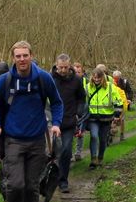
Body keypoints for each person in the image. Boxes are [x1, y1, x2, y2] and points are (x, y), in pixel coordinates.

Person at [0, 40, 63, 202]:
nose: (22, 59)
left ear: (31, 55)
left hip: (37, 140)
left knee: (32, 186)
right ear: (13, 58)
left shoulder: (44, 79)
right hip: (12, 140)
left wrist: (56, 123)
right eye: (18, 56)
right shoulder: (4, 80)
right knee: (15, 185)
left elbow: (56, 102)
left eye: (25, 55)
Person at [51, 54, 87, 193]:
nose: (63, 70)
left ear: (69, 66)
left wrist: (78, 112)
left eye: (66, 67)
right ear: (56, 65)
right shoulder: (50, 79)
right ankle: (48, 179)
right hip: (52, 121)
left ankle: (63, 181)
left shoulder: (76, 80)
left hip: (69, 121)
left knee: (66, 151)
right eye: (61, 67)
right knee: (52, 151)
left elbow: (82, 98)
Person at [84, 66, 122, 169]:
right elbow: (84, 102)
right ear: (92, 77)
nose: (96, 80)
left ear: (103, 78)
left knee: (103, 139)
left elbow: (118, 100)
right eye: (95, 77)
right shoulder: (88, 87)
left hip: (106, 118)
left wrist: (117, 115)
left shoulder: (110, 87)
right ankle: (93, 159)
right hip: (93, 118)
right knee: (94, 136)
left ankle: (100, 157)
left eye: (99, 78)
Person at [73, 62, 87, 161]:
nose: (77, 73)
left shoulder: (86, 82)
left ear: (82, 72)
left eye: (79, 72)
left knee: (80, 132)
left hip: (84, 108)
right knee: (70, 132)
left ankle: (78, 152)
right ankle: (69, 153)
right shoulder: (69, 81)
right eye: (75, 71)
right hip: (72, 108)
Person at [111, 70, 129, 141]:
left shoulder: (124, 82)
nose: (116, 79)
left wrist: (129, 99)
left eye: (117, 78)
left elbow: (129, 91)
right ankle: (111, 135)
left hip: (123, 103)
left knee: (121, 120)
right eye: (114, 78)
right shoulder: (110, 84)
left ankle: (122, 134)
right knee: (113, 120)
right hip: (113, 105)